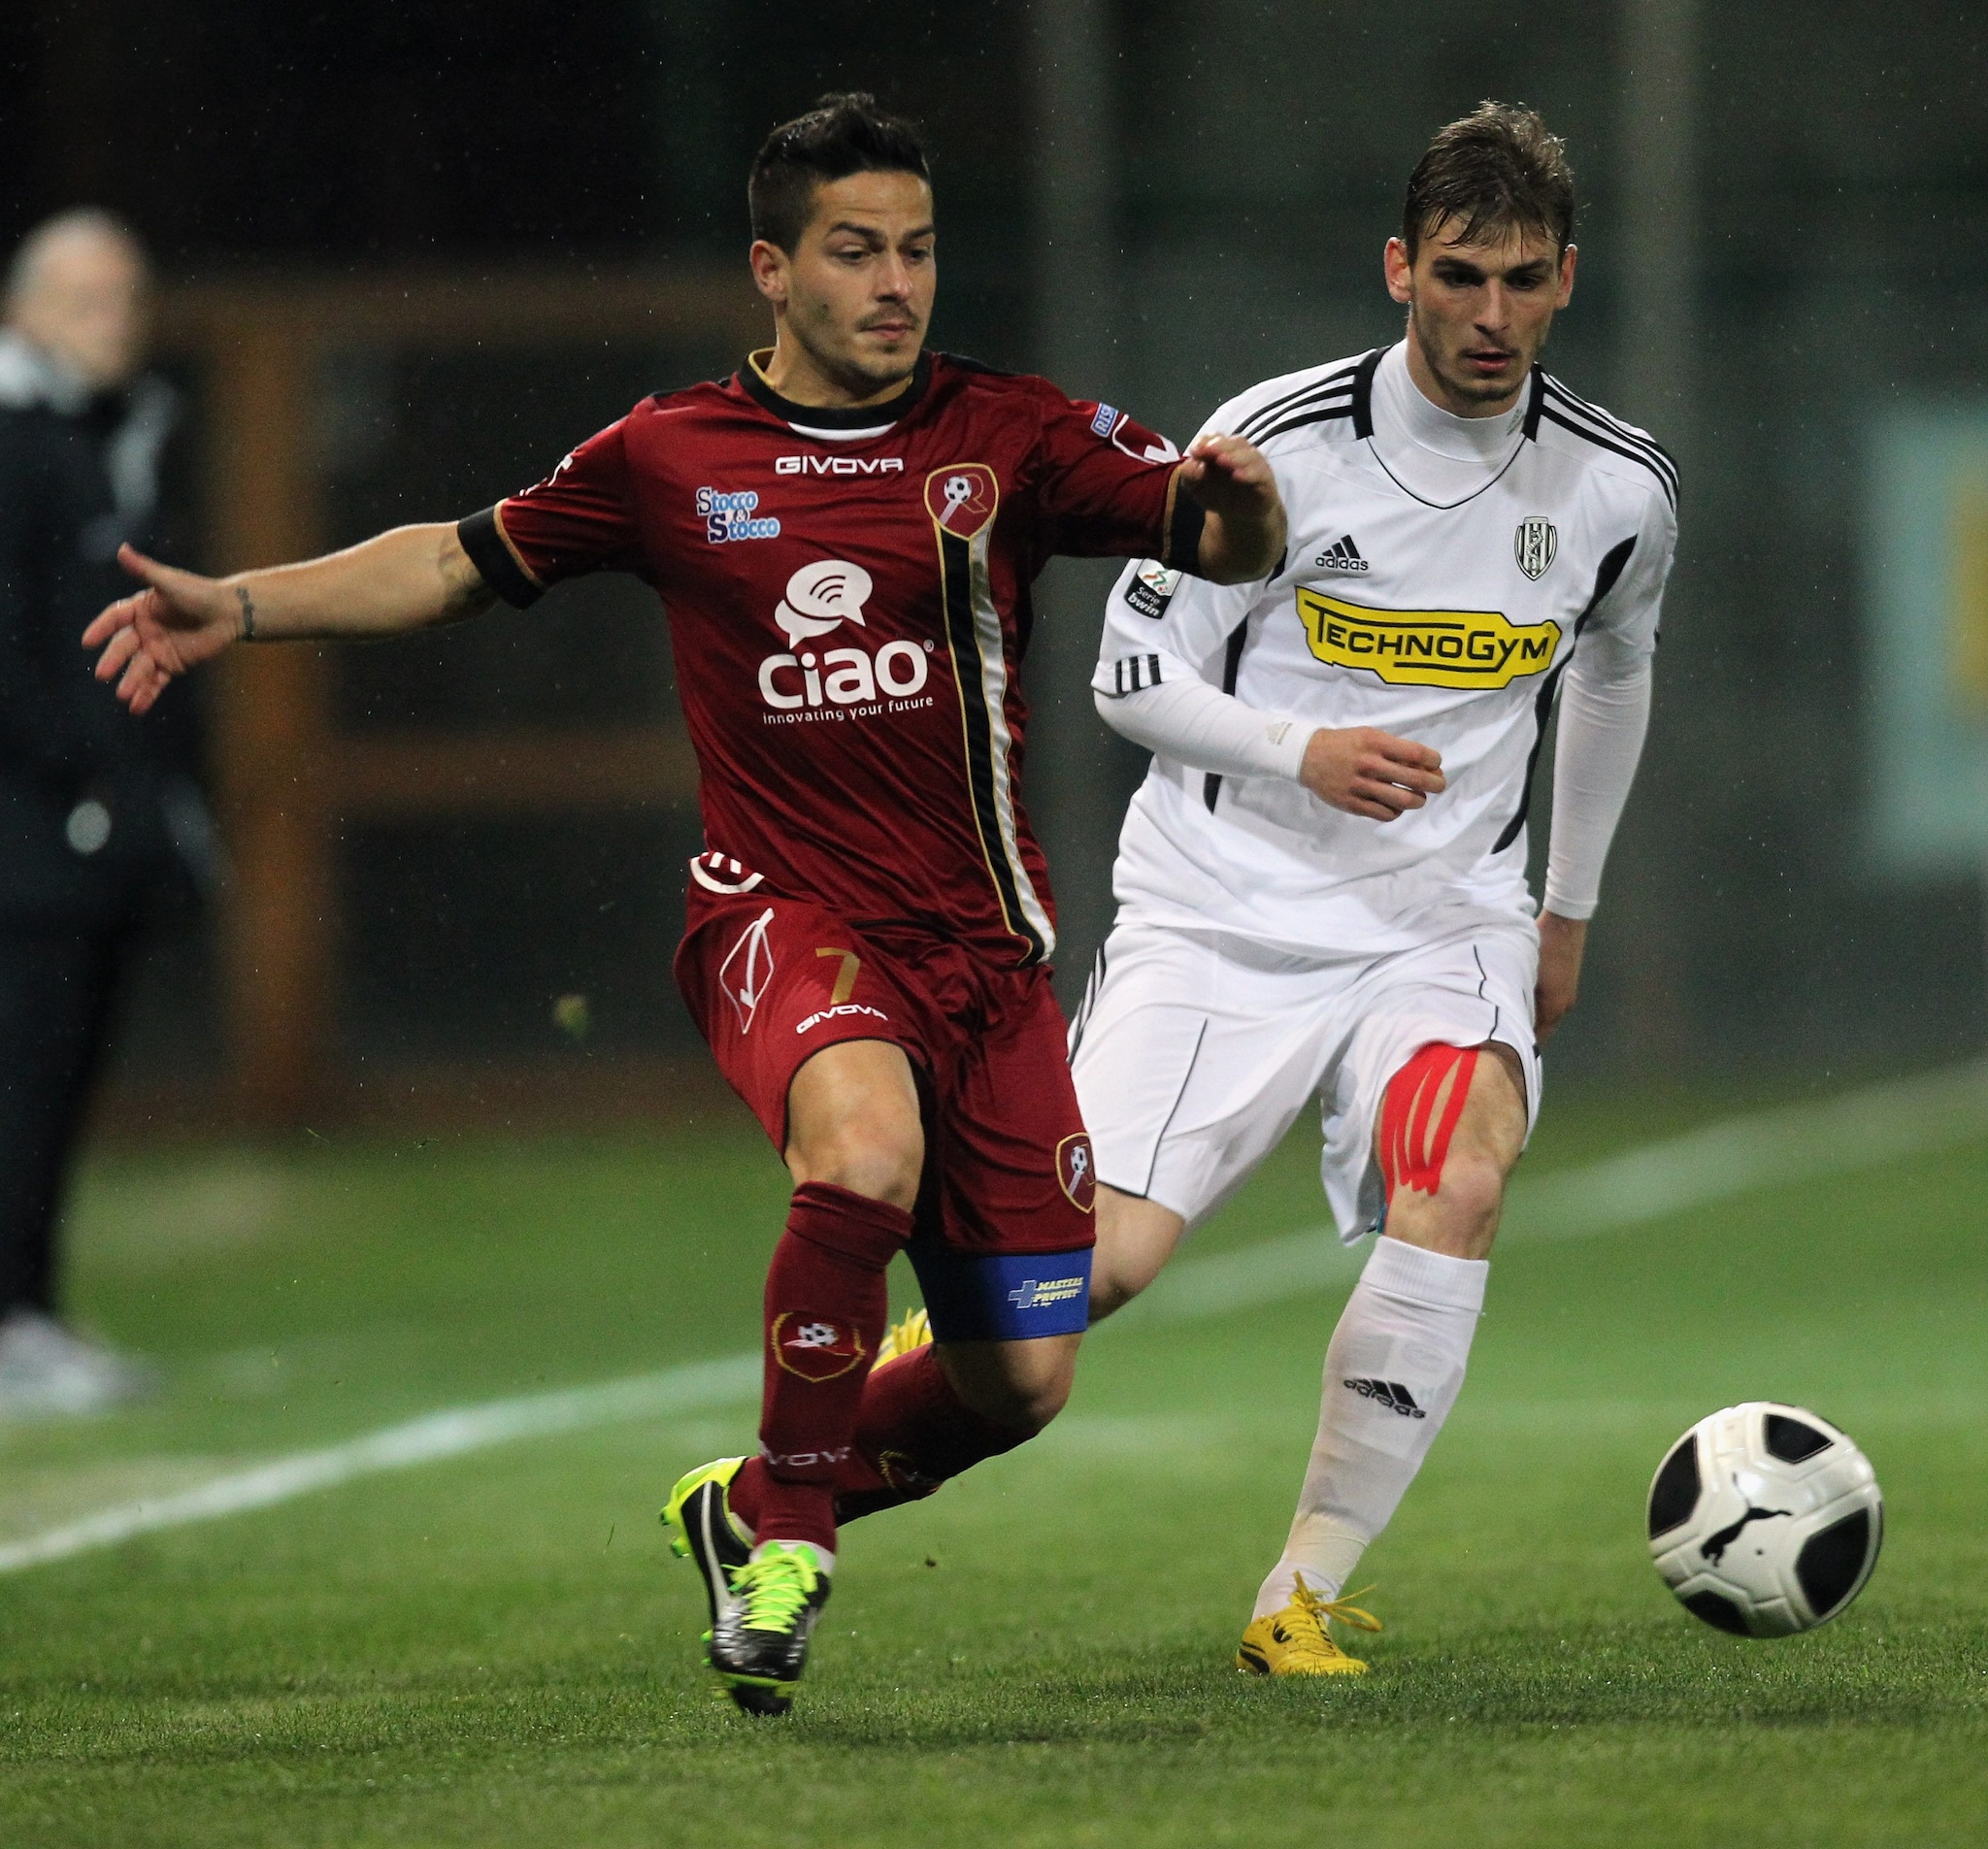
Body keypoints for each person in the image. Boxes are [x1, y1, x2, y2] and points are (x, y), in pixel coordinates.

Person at [83, 95, 1284, 1713]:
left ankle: (739, 1504)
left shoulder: (1006, 435)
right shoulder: (669, 457)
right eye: (853, 253)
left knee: (1019, 1382)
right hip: (780, 918)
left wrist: (1242, 502)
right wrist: (239, 600)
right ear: (769, 270)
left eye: (915, 251)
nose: (893, 285)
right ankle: (788, 1546)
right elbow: (451, 558)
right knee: (858, 1154)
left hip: (984, 966)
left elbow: (1214, 539)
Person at [1065, 102, 1676, 1673]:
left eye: (1522, 281)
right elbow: (1128, 672)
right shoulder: (1275, 444)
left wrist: (1566, 907)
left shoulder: (1612, 493)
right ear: (1399, 267)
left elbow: (1610, 681)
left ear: (1563, 281)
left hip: (1440, 919)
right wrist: (1299, 748)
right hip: (1223, 906)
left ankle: (1297, 1597)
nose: (1489, 317)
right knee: (1090, 1275)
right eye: (1459, 275)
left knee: (1458, 1169)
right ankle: (798, 1471)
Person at [0, 210, 212, 1417]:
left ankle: (30, 1310)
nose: (114, 322)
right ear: (24, 309)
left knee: (59, 1077)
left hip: (81, 831)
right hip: (25, 834)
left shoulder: (116, 432)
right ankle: (12, 1320)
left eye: (127, 297)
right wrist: (77, 779)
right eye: (85, 299)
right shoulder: (20, 438)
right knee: (23, 1078)